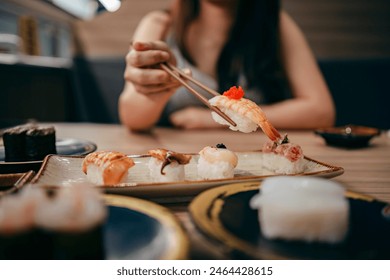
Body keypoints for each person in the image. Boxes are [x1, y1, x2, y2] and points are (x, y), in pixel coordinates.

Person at [119, 0, 335, 131]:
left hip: (254, 158)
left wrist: (213, 119)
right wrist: (161, 88)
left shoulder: (274, 24)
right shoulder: (160, 25)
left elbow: (321, 111)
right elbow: (131, 118)